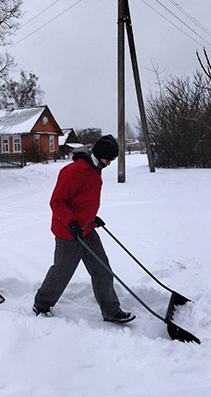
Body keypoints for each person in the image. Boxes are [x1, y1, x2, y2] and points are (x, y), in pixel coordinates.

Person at [32, 134, 135, 323]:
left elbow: (83, 199)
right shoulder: (72, 172)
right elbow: (57, 202)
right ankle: (41, 304)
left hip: (87, 229)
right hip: (68, 233)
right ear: (97, 154)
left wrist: (92, 218)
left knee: (103, 269)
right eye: (107, 160)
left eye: (111, 160)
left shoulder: (96, 169)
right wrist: (72, 222)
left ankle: (111, 311)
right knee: (62, 273)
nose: (109, 164)